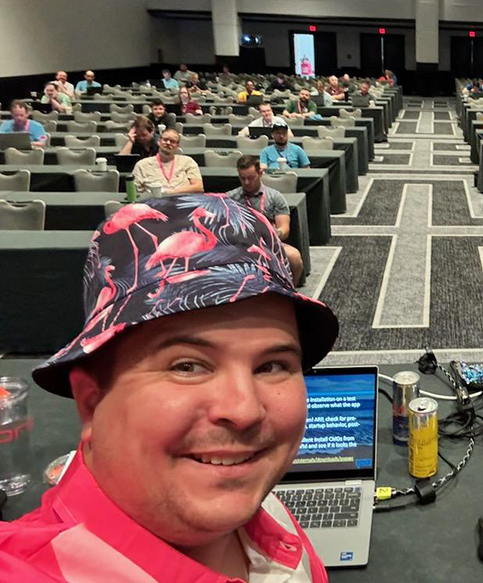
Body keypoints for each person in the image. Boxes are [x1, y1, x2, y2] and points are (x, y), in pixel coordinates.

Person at [0, 196, 337, 581]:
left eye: (272, 365)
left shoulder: (267, 516)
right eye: (187, 366)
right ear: (91, 403)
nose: (245, 410)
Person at [228, 155, 304, 285]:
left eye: (250, 178)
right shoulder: (230, 198)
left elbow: (284, 230)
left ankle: (292, 290)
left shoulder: (275, 197)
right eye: (242, 178)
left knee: (294, 257)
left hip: (269, 243)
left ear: (260, 173)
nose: (246, 182)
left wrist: (271, 233)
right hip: (241, 244)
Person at [133, 129, 203, 195]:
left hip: (183, 201)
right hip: (152, 203)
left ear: (177, 146)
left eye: (172, 141)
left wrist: (171, 192)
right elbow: (134, 193)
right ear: (159, 141)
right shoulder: (142, 165)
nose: (168, 143)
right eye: (165, 140)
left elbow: (199, 187)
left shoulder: (188, 162)